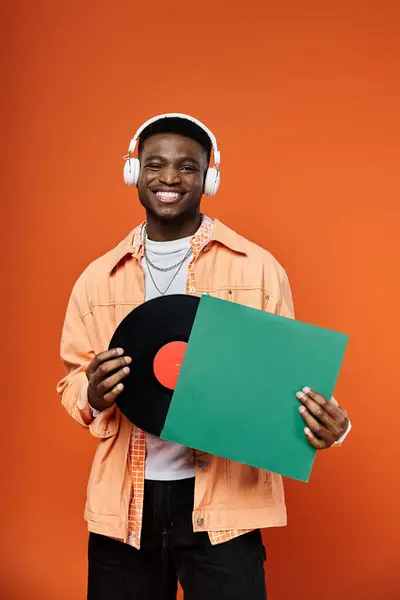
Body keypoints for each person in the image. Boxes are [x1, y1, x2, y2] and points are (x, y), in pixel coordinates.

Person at [57, 113, 351, 600]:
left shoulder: (258, 269)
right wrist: (89, 389)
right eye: (154, 164)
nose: (169, 178)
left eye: (187, 167)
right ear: (135, 172)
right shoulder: (97, 279)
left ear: (209, 177)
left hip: (224, 512)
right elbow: (71, 385)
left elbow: (287, 381)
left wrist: (334, 427)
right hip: (124, 509)